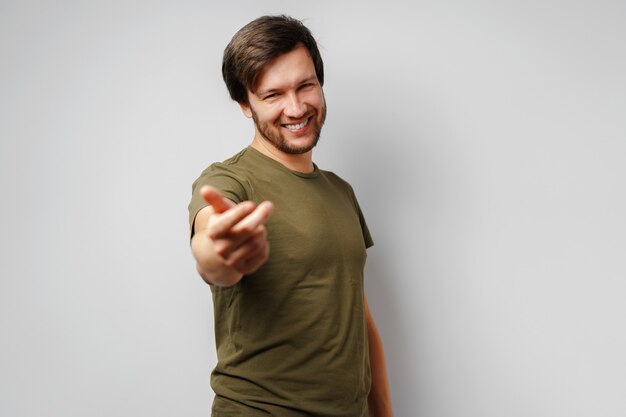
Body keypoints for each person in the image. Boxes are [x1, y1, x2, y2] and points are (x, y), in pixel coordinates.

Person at [188, 15, 393, 417]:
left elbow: (361, 325)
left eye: (306, 85)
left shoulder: (341, 192)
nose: (296, 107)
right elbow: (211, 251)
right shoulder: (228, 180)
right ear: (245, 105)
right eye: (273, 95)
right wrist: (220, 253)